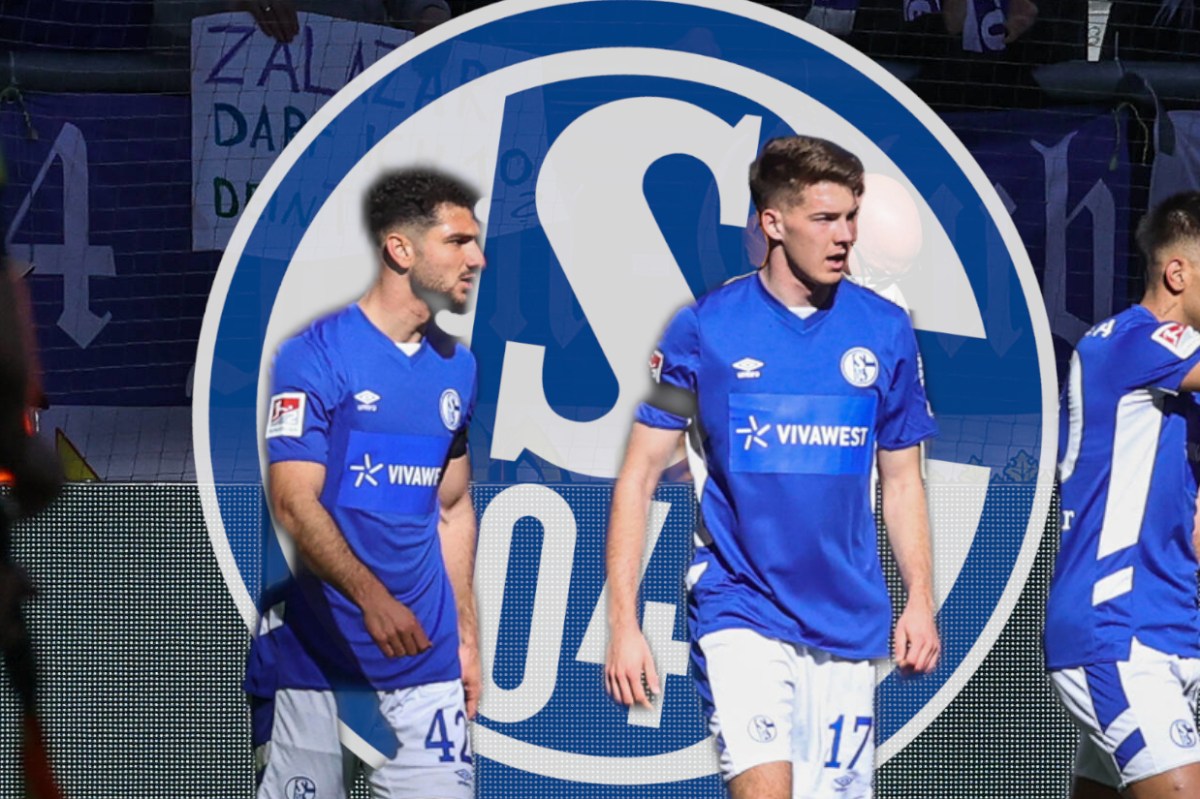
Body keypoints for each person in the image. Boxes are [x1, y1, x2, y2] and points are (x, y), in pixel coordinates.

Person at [604, 135, 940, 799]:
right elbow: (638, 477)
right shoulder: (703, 328)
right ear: (773, 223)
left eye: (850, 217)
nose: (844, 236)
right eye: (824, 219)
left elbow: (902, 480)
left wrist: (920, 599)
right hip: (741, 609)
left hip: (848, 619)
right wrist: (624, 623)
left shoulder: (887, 329)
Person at [251, 167, 485, 799]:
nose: (478, 258)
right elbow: (293, 505)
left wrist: (465, 632)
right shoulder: (315, 356)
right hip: (315, 666)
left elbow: (454, 507)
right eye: (459, 242)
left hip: (424, 664)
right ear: (400, 249)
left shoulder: (457, 368)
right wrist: (372, 596)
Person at [1045, 191, 1200, 799]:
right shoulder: (1125, 342)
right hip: (1117, 631)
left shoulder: (1180, 388)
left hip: (1174, 628)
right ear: (1177, 271)